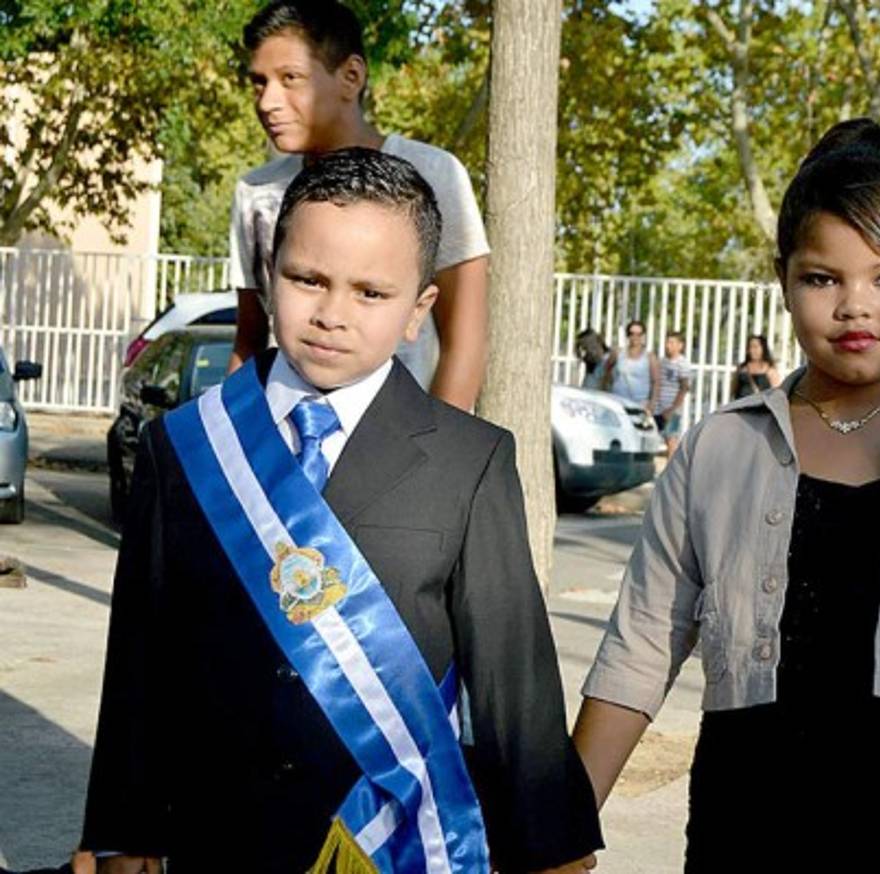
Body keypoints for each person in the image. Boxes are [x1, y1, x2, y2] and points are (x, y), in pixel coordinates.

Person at [572, 119, 880, 874]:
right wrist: (562, 829)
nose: (854, 306)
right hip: (744, 833)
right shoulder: (719, 449)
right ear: (783, 279)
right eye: (822, 278)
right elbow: (639, 650)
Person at [82, 150, 601, 873]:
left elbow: (513, 673)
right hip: (216, 834)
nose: (332, 314)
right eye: (308, 280)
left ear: (419, 311)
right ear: (270, 275)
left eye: (371, 293)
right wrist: (121, 825)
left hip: (392, 837)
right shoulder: (185, 445)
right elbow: (142, 652)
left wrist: (553, 843)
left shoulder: (469, 459)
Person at [227, 1, 489, 411]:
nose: (267, 101)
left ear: (351, 76)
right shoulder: (256, 192)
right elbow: (250, 339)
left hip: (399, 445)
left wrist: (436, 460)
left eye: (290, 79)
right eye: (259, 83)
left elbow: (466, 340)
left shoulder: (434, 173)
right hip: (287, 442)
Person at [601, 320, 659, 414]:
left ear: (643, 336)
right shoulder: (618, 353)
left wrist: (652, 404)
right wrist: (605, 391)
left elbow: (656, 382)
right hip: (618, 402)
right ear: (627, 335)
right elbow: (606, 370)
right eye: (632, 333)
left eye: (639, 334)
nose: (635, 337)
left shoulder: (649, 357)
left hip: (639, 404)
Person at [653, 330, 692, 459]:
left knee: (671, 440)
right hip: (658, 407)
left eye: (671, 342)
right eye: (667, 342)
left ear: (680, 345)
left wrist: (673, 409)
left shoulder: (682, 363)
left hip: (672, 409)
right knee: (654, 438)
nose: (667, 345)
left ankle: (671, 473)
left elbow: (684, 387)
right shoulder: (662, 361)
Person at [729, 334, 781, 399]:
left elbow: (776, 393)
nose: (752, 350)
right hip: (741, 406)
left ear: (763, 349)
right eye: (750, 347)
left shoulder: (770, 370)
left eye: (756, 347)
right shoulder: (742, 368)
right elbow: (733, 390)